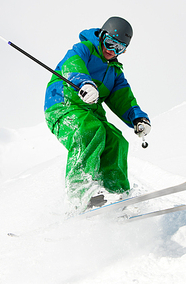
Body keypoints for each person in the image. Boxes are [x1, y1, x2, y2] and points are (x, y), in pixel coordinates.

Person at [44, 16, 151, 213]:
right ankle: (80, 194)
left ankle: (116, 194)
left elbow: (124, 98)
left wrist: (137, 118)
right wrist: (83, 83)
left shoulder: (114, 72)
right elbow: (72, 65)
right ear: (102, 36)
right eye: (110, 44)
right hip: (63, 105)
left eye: (119, 49)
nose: (112, 51)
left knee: (116, 140)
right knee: (90, 131)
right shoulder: (83, 49)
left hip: (91, 111)